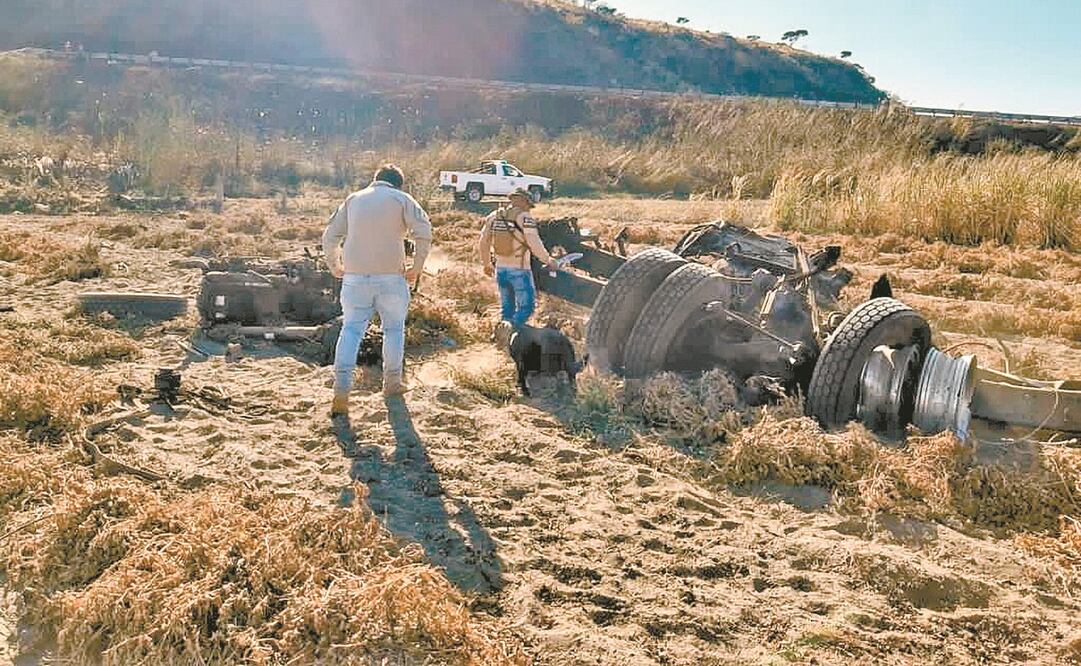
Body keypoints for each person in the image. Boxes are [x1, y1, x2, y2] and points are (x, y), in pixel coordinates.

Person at [323, 164, 432, 415]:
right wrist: (416, 266)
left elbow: (330, 236)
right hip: (391, 278)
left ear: (376, 180)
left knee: (350, 330)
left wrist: (334, 264)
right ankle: (392, 384)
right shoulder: (402, 199)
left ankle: (341, 390)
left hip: (355, 278)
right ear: (398, 183)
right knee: (394, 330)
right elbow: (424, 232)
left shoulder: (353, 199)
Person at [477, 188, 558, 329]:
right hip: (520, 270)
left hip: (500, 269)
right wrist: (549, 260)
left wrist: (486, 264)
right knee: (527, 308)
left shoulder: (494, 216)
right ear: (524, 201)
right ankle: (510, 330)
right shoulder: (524, 218)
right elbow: (535, 243)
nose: (529, 208)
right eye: (529, 205)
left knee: (507, 309)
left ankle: (502, 334)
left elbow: (483, 242)